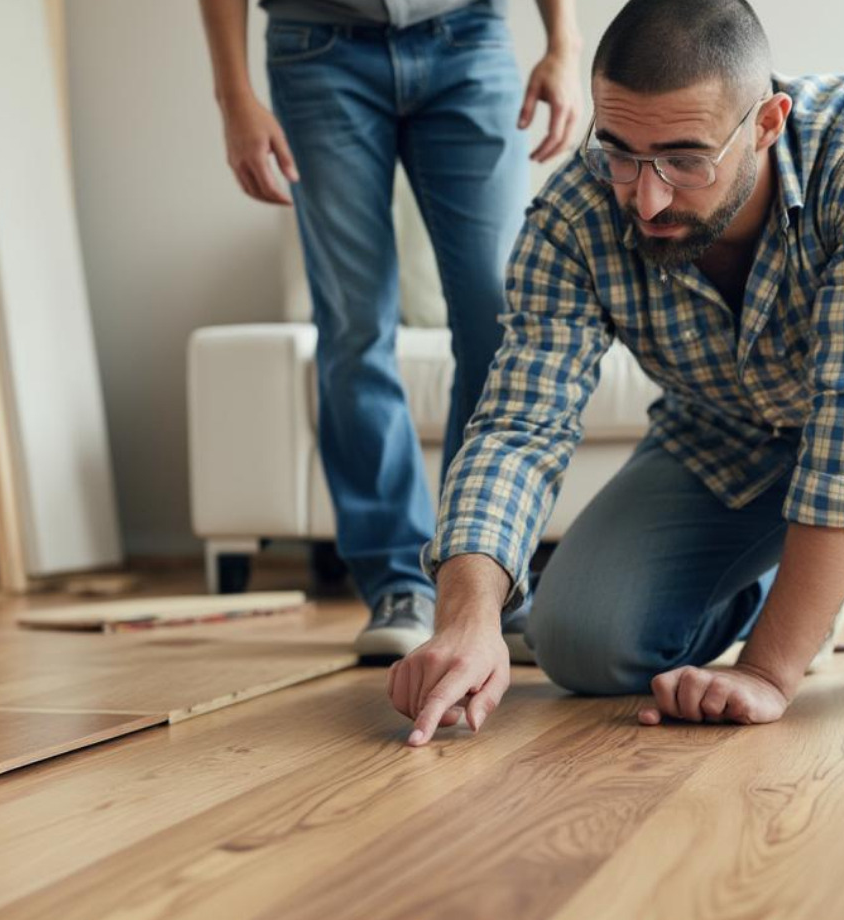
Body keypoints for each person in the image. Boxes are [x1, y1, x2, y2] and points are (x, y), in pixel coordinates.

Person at [388, 0, 844, 744]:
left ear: (768, 123)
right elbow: (519, 427)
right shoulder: (573, 216)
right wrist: (468, 617)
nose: (646, 199)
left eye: (684, 159)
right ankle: (797, 589)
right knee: (579, 644)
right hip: (731, 425)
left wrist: (770, 671)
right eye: (619, 153)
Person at [200, 0, 583, 658]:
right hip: (317, 48)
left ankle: (489, 577)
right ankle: (399, 584)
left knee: (499, 318)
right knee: (353, 327)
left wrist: (563, 44)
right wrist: (234, 96)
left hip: (469, 34)